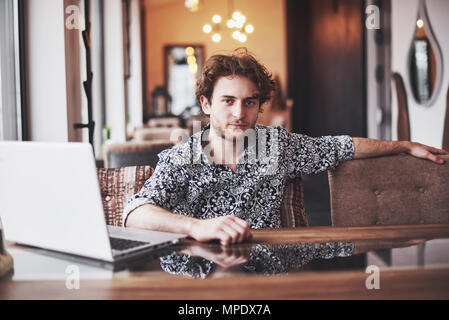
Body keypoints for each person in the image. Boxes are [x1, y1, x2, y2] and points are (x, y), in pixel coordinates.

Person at [123, 48, 448, 245]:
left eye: (250, 102)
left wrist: (404, 145)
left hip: (273, 274)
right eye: (228, 101)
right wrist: (197, 226)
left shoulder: (276, 144)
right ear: (205, 103)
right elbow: (135, 214)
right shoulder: (183, 156)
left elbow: (341, 147)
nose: (239, 113)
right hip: (199, 280)